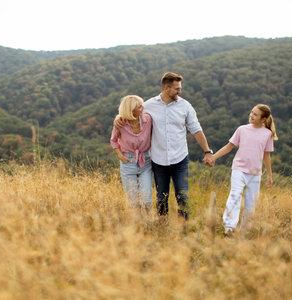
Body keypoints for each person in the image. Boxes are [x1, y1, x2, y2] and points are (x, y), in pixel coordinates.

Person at [115, 72, 214, 219]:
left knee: (182, 196)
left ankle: (183, 228)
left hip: (180, 158)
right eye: (177, 89)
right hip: (158, 160)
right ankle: (162, 226)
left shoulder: (185, 106)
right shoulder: (148, 106)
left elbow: (196, 129)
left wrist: (207, 151)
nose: (180, 91)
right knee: (161, 197)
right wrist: (119, 117)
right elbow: (131, 114)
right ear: (166, 88)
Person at [208, 104, 278, 235]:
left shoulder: (267, 134)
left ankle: (244, 232)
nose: (251, 115)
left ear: (263, 119)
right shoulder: (242, 129)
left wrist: (269, 175)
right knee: (235, 195)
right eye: (251, 112)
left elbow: (266, 155)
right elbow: (229, 146)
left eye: (255, 114)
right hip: (239, 169)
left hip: (255, 174)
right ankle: (229, 228)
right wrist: (213, 157)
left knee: (251, 203)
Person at [110, 95, 153, 217]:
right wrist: (120, 155)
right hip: (128, 161)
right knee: (133, 201)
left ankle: (151, 222)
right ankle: (138, 227)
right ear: (131, 110)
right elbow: (113, 140)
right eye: (139, 107)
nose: (142, 108)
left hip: (145, 160)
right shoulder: (120, 123)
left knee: (146, 199)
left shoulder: (147, 119)